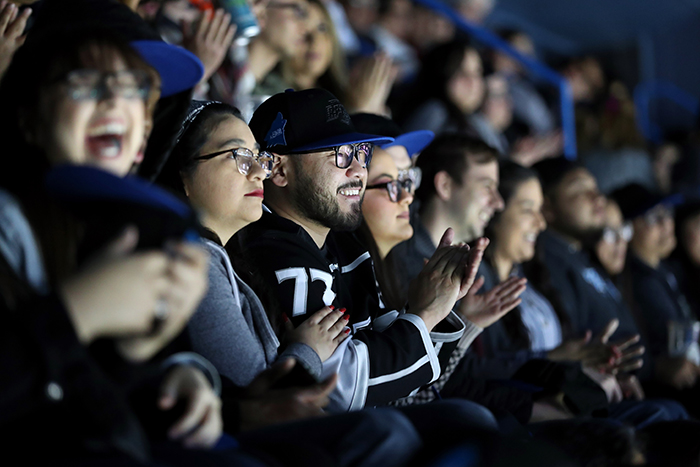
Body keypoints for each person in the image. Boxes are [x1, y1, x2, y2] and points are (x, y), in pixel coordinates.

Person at [156, 100, 427, 467]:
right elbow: (265, 395)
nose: (258, 172)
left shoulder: (233, 257)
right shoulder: (198, 259)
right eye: (239, 156)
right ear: (182, 174)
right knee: (391, 432)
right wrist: (307, 353)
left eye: (257, 157)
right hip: (232, 450)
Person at [239, 88, 500, 438]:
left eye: (361, 153)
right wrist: (424, 315)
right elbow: (340, 389)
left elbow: (392, 360)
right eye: (341, 155)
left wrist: (432, 304)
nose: (359, 170)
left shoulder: (344, 241)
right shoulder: (276, 251)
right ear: (280, 171)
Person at [611, 184, 700, 415]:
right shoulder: (639, 281)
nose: (666, 224)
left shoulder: (666, 268)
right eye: (654, 218)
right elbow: (675, 352)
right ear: (628, 229)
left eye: (667, 214)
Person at [534, 158, 641, 344]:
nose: (597, 197)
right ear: (547, 207)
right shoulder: (547, 263)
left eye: (596, 189)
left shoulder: (579, 255)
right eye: (580, 190)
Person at [280, 0, 396, 115]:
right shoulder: (273, 99)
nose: (315, 41)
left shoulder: (344, 96)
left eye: (322, 28)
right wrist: (361, 112)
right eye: (303, 31)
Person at [402, 40, 485, 135]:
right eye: (461, 72)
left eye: (477, 72)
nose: (473, 82)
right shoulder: (435, 111)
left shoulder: (477, 122)